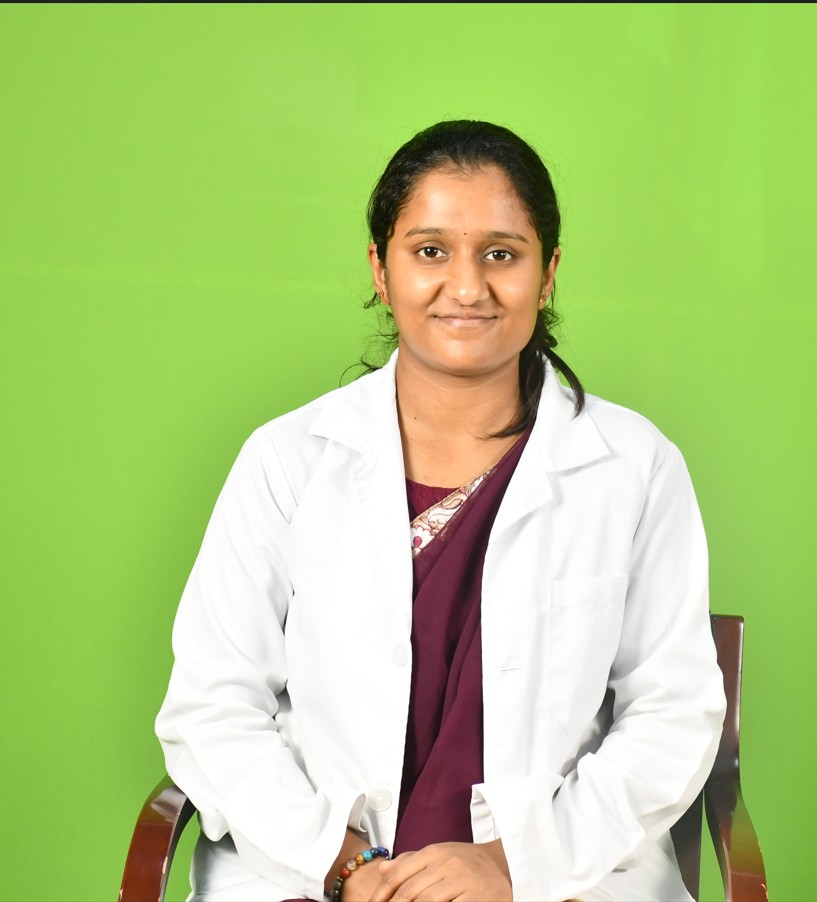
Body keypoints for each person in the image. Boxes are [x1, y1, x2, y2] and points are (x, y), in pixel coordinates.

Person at [155, 119, 726, 902]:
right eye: (429, 251)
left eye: (502, 254)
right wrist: (343, 864)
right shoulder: (287, 460)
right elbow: (212, 706)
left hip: (556, 880)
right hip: (317, 876)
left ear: (548, 273)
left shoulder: (634, 466)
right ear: (380, 269)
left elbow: (673, 714)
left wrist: (511, 865)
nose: (466, 287)